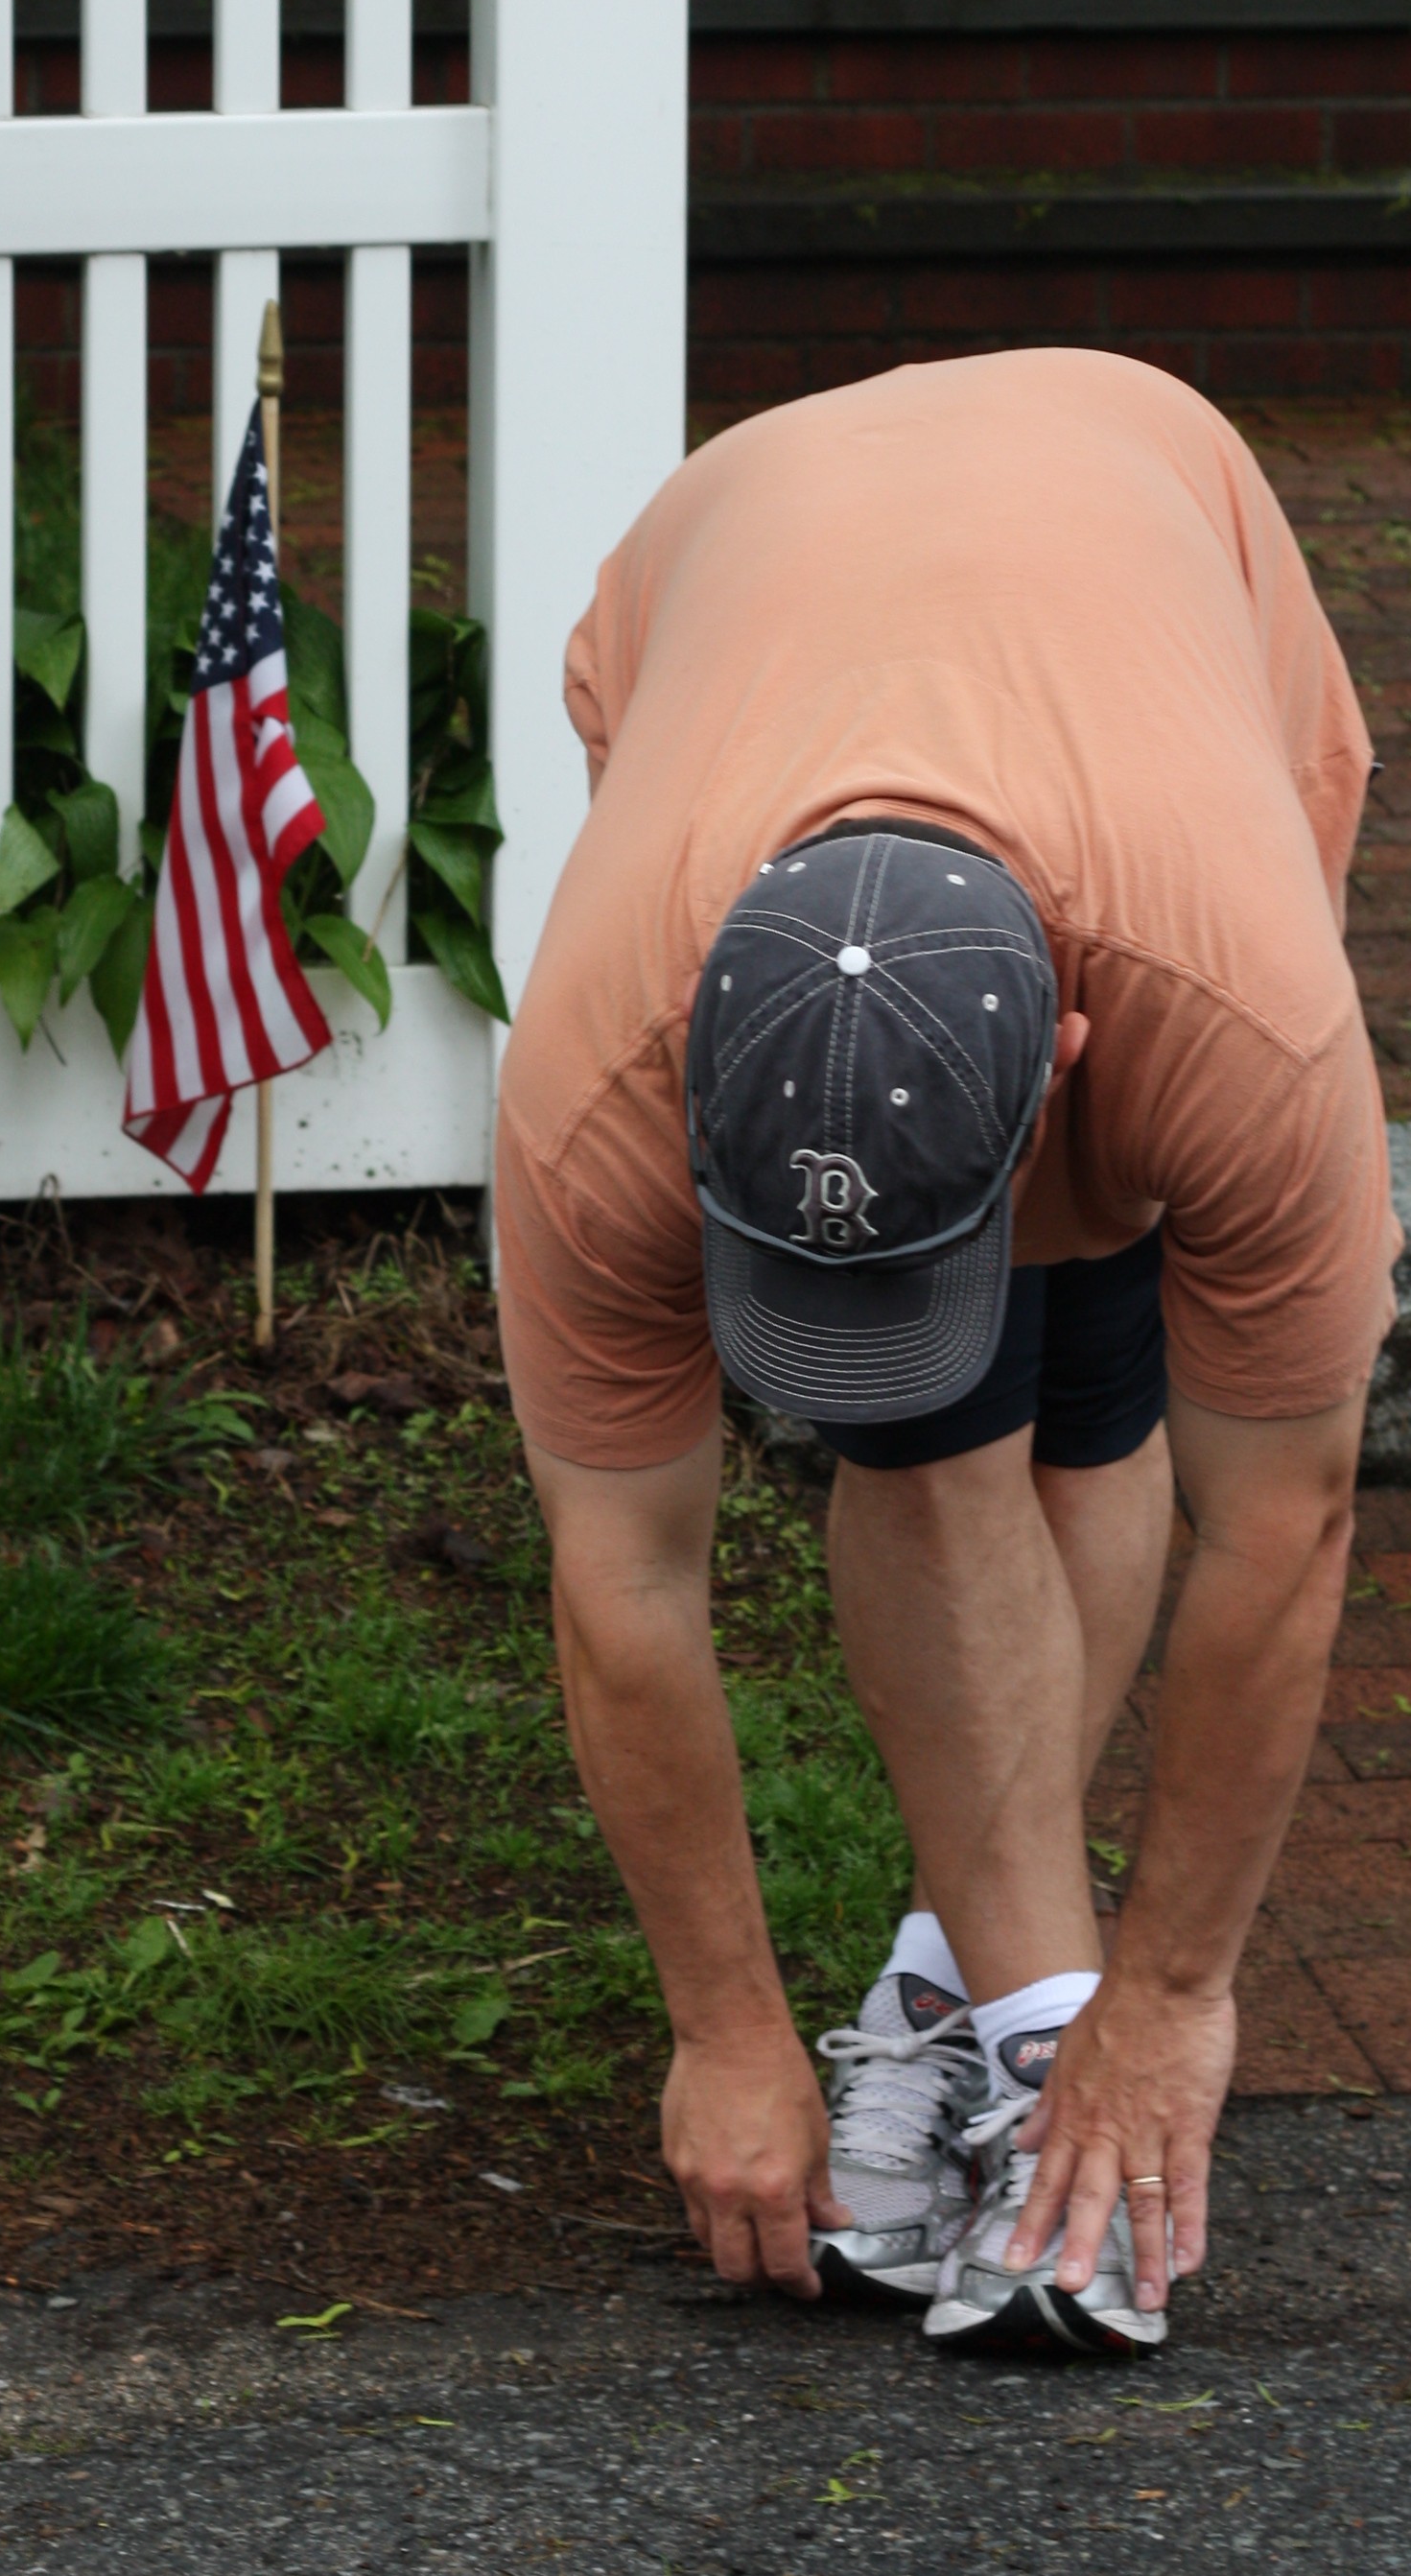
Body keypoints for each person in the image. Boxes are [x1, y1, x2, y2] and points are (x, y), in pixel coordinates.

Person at [491, 349, 1389, 2354]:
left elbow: (1283, 1522)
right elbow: (622, 1574)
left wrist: (1171, 2002)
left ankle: (1000, 2010)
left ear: (1067, 1054)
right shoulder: (594, 1083)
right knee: (927, 1420)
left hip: (1158, 528)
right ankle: (995, 2005)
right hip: (732, 555)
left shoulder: (1239, 1016)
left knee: (1094, 1346)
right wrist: (719, 2030)